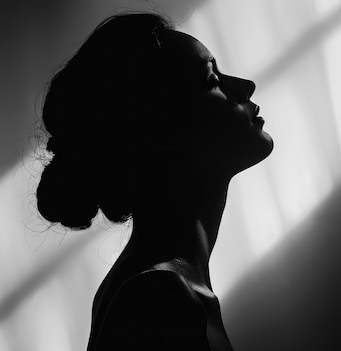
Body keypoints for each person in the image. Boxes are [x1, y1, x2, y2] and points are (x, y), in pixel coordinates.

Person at [36, 13, 273, 350]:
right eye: (211, 80)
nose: (244, 86)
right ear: (161, 130)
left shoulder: (159, 289)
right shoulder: (159, 299)